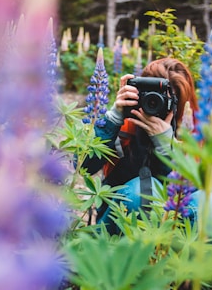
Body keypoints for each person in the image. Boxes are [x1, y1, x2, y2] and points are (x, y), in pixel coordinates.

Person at [82, 57, 199, 233]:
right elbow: (83, 167)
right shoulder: (125, 123)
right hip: (117, 224)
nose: (155, 105)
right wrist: (112, 120)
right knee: (142, 191)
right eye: (149, 97)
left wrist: (167, 146)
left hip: (172, 231)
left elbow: (193, 191)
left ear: (180, 104)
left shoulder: (192, 128)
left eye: (165, 101)